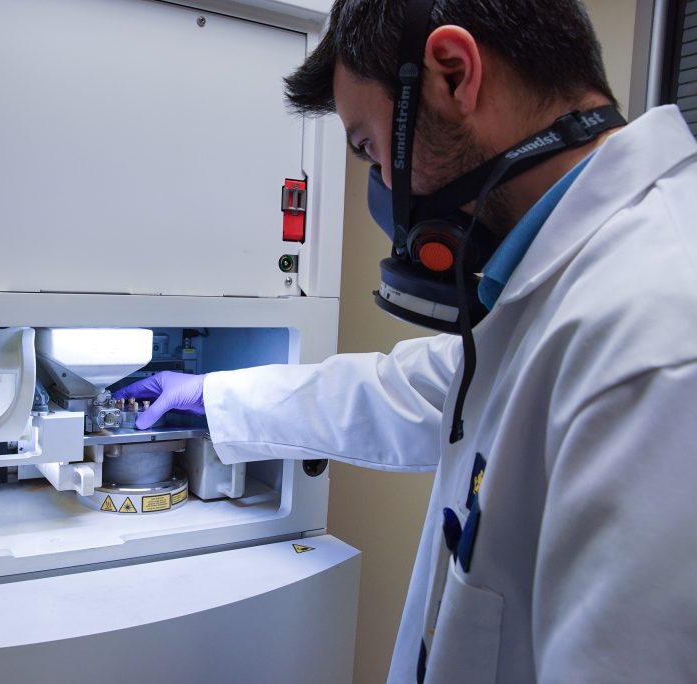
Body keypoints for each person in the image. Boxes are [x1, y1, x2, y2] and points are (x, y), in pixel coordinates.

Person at [116, 0, 697, 681]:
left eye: (368, 147)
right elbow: (412, 390)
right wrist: (210, 393)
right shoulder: (565, 288)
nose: (385, 189)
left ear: (453, 74)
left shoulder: (657, 345)